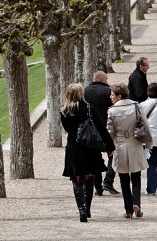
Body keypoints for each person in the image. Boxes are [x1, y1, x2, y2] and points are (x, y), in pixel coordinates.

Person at [60, 83, 114, 223]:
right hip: (90, 146)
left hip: (74, 146)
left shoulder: (64, 111)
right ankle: (87, 208)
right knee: (89, 176)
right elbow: (101, 128)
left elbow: (67, 129)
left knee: (77, 178)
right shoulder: (89, 108)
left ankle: (81, 209)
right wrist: (109, 146)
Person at [108, 82, 153, 219]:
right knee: (136, 177)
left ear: (119, 96)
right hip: (135, 143)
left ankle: (128, 209)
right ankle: (136, 203)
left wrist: (108, 148)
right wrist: (149, 145)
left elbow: (109, 132)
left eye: (112, 94)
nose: (110, 97)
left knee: (123, 179)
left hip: (119, 145)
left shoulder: (112, 111)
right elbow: (146, 125)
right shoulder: (136, 107)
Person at [84, 71, 119, 196]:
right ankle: (108, 181)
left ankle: (97, 186)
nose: (107, 80)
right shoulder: (107, 91)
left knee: (95, 158)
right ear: (102, 79)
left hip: (89, 130)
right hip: (106, 128)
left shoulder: (85, 91)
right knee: (113, 155)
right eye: (106, 78)